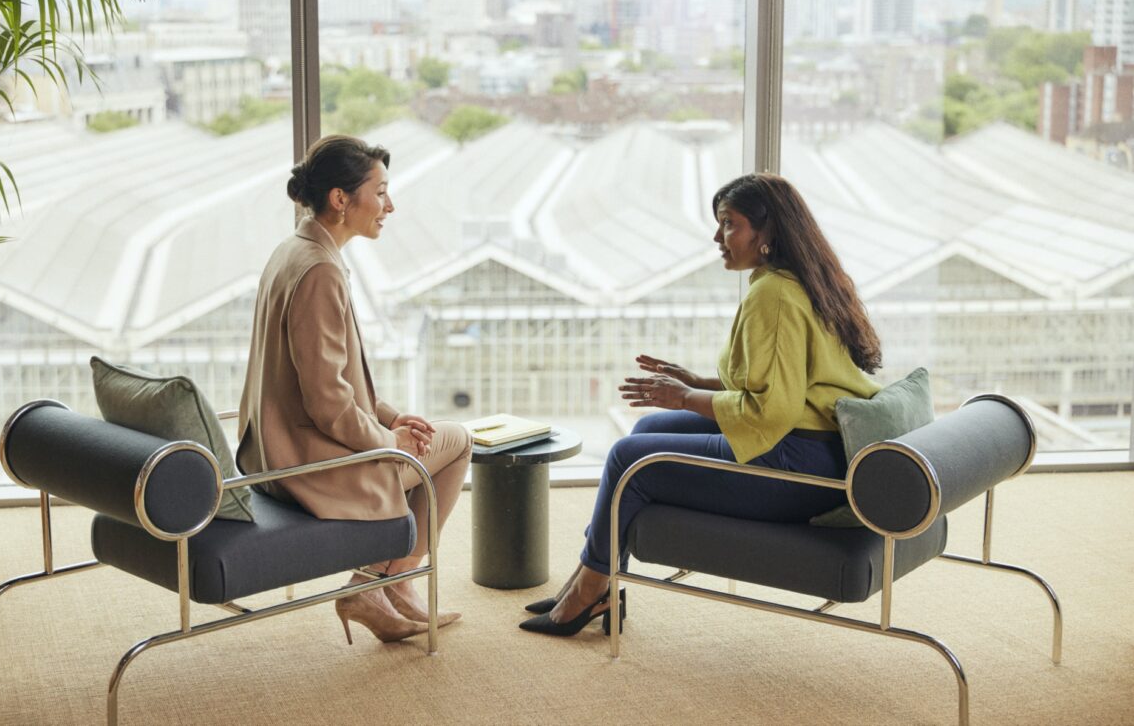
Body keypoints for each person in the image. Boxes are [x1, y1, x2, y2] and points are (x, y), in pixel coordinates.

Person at [519, 172, 882, 636]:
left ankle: (588, 592)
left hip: (798, 467)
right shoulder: (798, 281)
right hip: (820, 452)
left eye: (729, 224)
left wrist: (688, 397)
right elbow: (784, 384)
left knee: (627, 458)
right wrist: (695, 384)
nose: (718, 237)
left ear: (766, 231)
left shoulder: (773, 294)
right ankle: (594, 578)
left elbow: (773, 411)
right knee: (648, 430)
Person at [238, 134, 472, 643]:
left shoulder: (294, 250)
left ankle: (384, 586)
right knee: (455, 443)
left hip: (272, 446)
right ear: (340, 200)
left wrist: (389, 418)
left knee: (427, 435)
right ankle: (385, 581)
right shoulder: (321, 270)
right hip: (303, 461)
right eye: (381, 191)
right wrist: (390, 447)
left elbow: (332, 381)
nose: (390, 205)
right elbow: (328, 404)